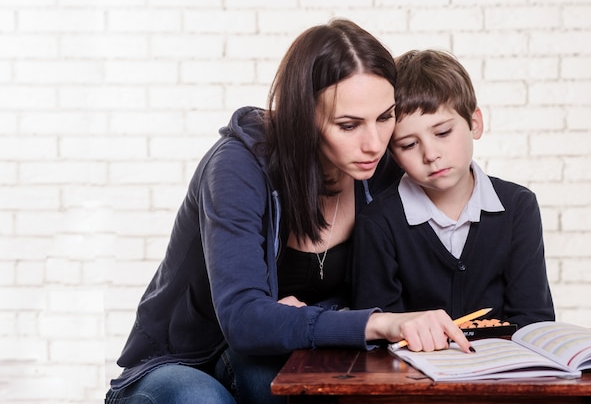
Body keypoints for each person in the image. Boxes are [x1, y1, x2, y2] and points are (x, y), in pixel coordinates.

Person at [105, 23, 473, 404]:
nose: (375, 143)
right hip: (179, 362)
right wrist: (379, 322)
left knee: (303, 388)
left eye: (385, 117)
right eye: (348, 125)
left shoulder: (380, 168)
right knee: (200, 399)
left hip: (263, 355)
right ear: (304, 116)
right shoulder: (236, 167)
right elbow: (245, 320)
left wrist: (306, 316)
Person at [351, 49, 555, 329]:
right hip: (411, 371)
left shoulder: (518, 206)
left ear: (474, 123)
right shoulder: (378, 223)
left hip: (503, 367)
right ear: (393, 155)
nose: (431, 154)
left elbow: (534, 319)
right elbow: (377, 330)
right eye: (409, 145)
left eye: (443, 133)